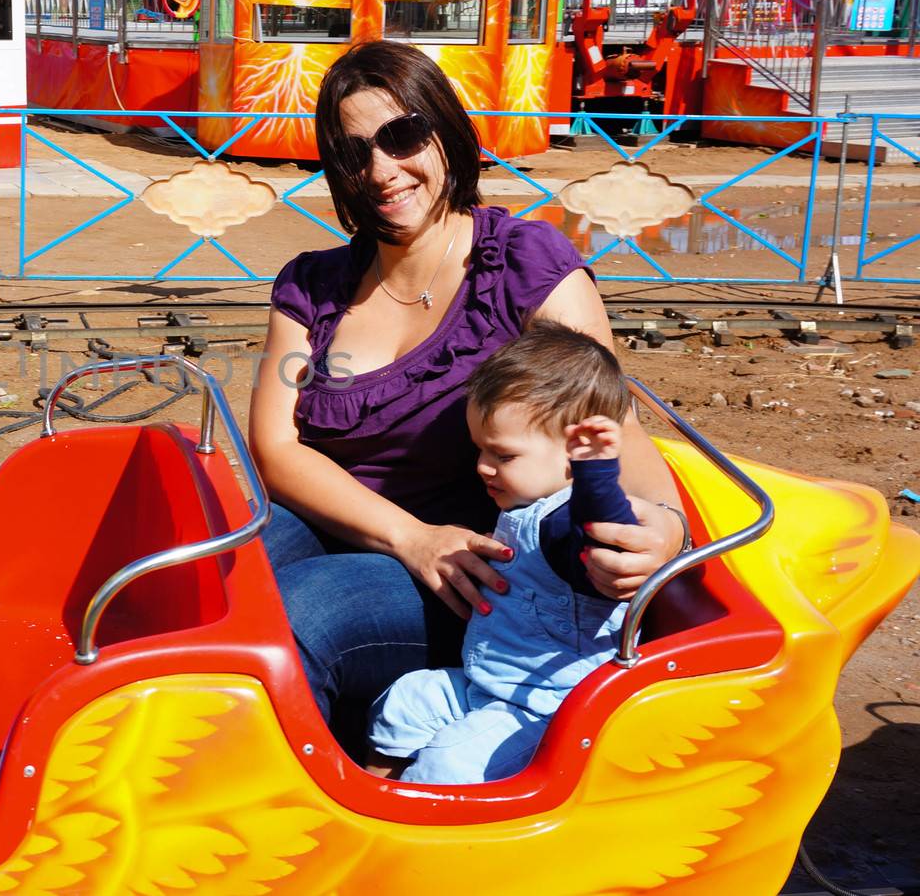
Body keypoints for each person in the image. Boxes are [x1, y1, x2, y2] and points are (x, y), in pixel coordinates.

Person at [247, 41, 686, 748]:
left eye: (401, 136)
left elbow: (613, 431)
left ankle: (296, 828)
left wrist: (662, 529)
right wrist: (407, 536)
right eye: (355, 152)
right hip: (370, 532)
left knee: (303, 613)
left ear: (446, 129)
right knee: (212, 571)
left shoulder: (524, 268)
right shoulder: (311, 285)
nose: (382, 171)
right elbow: (275, 446)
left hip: (477, 571)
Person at [366, 321, 639, 784]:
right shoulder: (525, 504)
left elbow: (602, 534)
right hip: (489, 682)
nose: (482, 467)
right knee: (404, 702)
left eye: (503, 456)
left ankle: (421, 840)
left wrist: (597, 476)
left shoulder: (564, 523)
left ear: (574, 455)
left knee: (448, 764)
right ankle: (370, 794)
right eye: (479, 450)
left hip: (545, 710)